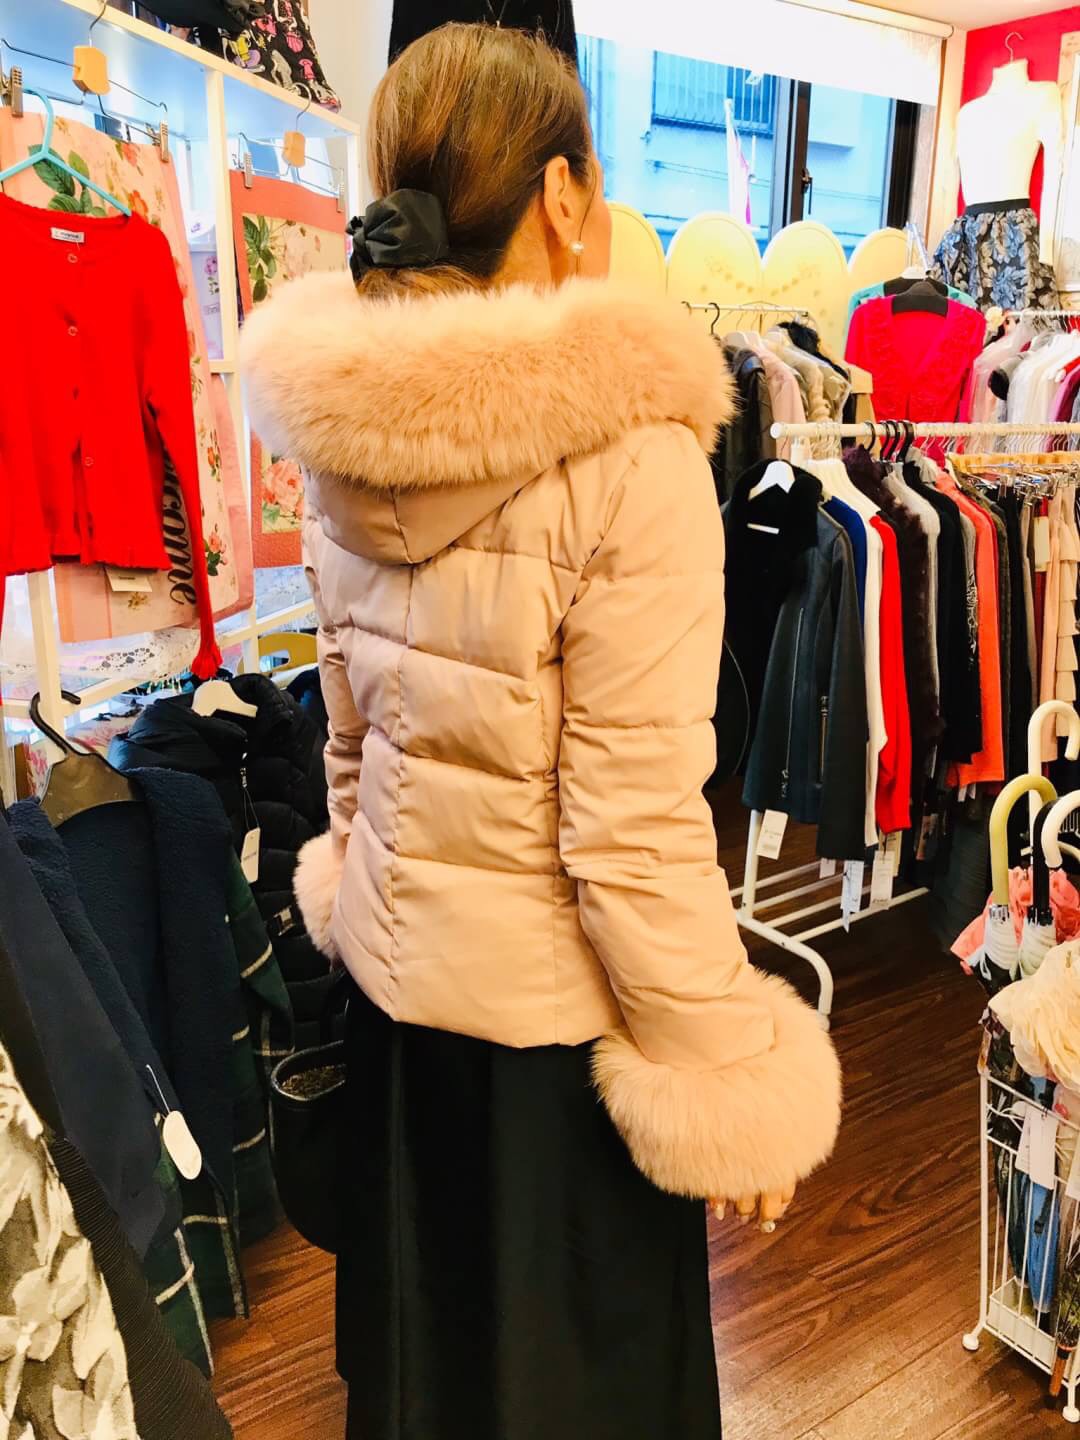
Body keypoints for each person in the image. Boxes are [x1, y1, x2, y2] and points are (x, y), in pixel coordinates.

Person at [240, 23, 841, 1439]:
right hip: (550, 1069)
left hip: (399, 1034)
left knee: (424, 1389)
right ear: (564, 196)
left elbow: (349, 751)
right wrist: (724, 1081)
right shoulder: (631, 460)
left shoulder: (338, 439)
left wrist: (369, 903)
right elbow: (632, 838)